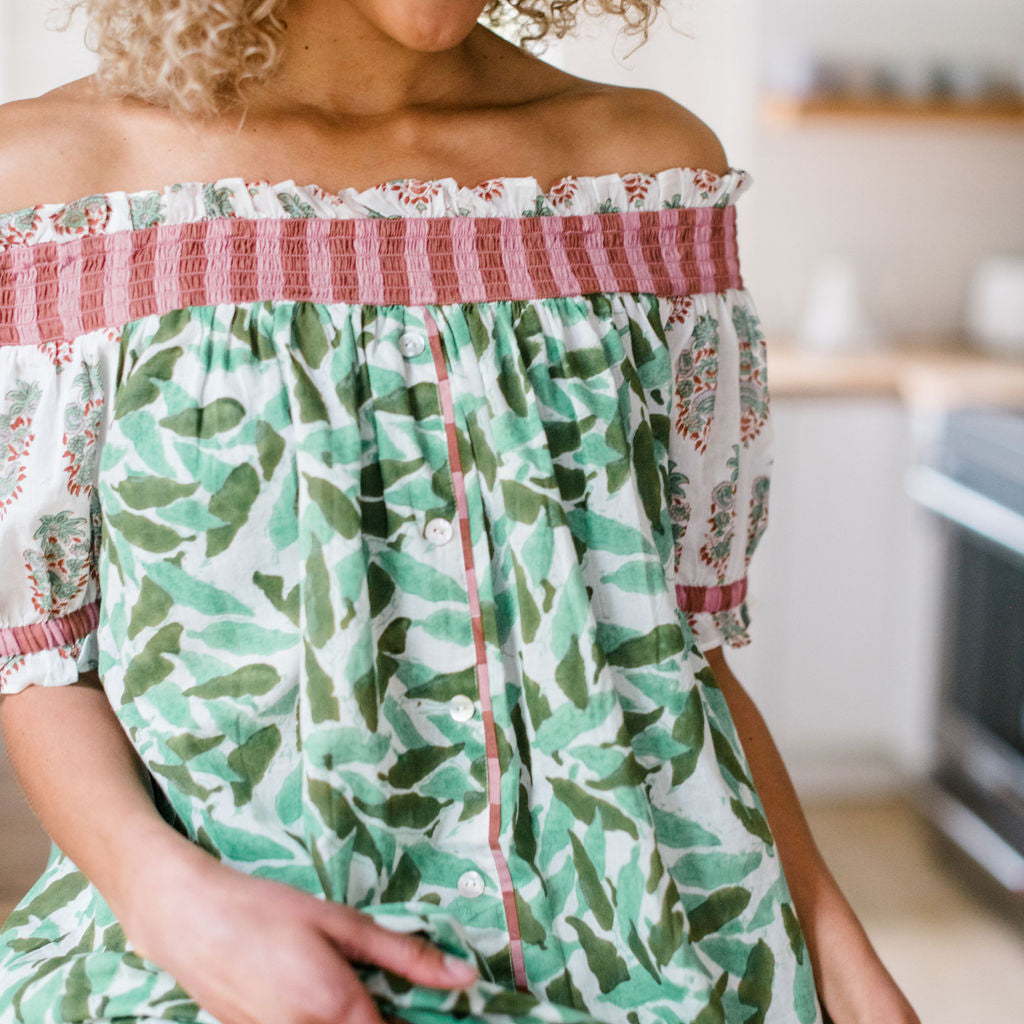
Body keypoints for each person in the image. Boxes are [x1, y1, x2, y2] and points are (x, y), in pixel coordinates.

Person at [0, 2, 920, 1022]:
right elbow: (36, 650)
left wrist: (840, 953)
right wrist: (168, 903)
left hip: (669, 971)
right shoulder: (52, 186)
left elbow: (680, 652)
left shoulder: (644, 172)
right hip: (231, 971)